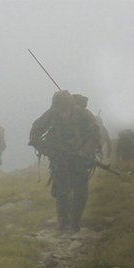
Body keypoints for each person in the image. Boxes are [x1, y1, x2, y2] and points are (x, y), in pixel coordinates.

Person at [29, 90, 101, 232]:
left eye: (66, 110)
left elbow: (96, 136)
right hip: (60, 159)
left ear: (72, 107)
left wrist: (84, 151)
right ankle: (63, 222)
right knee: (62, 191)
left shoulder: (83, 115)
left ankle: (75, 222)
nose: (63, 114)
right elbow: (34, 133)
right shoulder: (50, 115)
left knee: (81, 192)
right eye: (60, 110)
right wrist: (48, 150)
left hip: (81, 159)